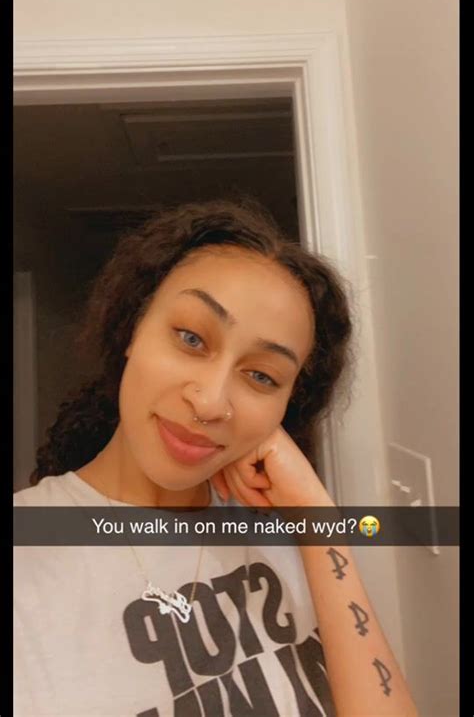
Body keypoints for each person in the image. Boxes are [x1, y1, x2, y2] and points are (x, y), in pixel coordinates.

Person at [14, 198, 418, 717]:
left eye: (262, 376)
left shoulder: (289, 532)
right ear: (132, 329)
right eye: (191, 338)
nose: (210, 402)